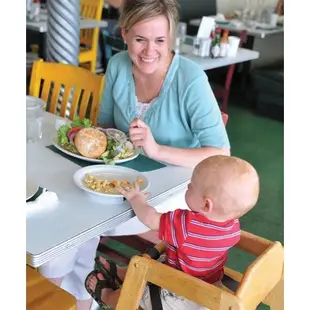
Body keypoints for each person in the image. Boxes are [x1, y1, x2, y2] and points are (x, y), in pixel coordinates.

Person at [38, 0, 230, 309]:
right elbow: (108, 126)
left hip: (175, 196)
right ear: (125, 33)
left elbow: (221, 152)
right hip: (119, 180)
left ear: (171, 38)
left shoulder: (190, 79)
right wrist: (86, 135)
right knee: (72, 211)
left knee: (74, 219)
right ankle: (70, 299)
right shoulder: (116, 65)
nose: (149, 51)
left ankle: (51, 296)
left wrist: (156, 149)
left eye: (160, 41)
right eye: (140, 39)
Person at [84, 155, 260, 309]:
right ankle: (125, 274)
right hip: (206, 282)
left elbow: (150, 218)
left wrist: (136, 199)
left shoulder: (186, 225)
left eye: (191, 186)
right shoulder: (232, 225)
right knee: (161, 256)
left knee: (142, 290)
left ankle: (110, 298)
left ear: (206, 205)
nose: (188, 187)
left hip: (178, 294)